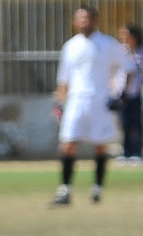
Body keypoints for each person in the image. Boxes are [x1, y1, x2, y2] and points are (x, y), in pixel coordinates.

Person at [51, 6, 136, 205]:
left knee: (100, 145)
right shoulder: (70, 46)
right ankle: (65, 190)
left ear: (95, 20)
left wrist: (122, 96)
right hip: (76, 101)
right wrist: (59, 103)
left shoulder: (108, 44)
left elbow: (130, 69)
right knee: (68, 144)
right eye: (80, 18)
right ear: (75, 21)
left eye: (87, 19)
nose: (84, 22)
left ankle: (97, 188)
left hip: (100, 101)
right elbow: (63, 79)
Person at [115, 24, 143, 165]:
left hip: (136, 92)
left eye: (127, 35)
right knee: (124, 124)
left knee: (136, 124)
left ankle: (137, 152)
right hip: (122, 93)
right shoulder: (119, 51)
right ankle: (126, 152)